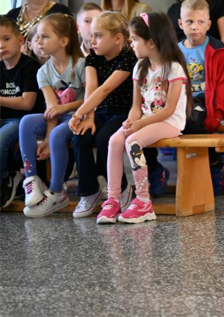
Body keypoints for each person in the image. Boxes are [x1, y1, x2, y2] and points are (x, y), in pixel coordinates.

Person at [97, 12, 190, 224]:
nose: (131, 44)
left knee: (133, 141)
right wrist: (131, 121)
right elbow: (135, 106)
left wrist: (139, 124)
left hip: (169, 122)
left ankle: (143, 201)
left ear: (151, 42)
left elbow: (169, 110)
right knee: (115, 140)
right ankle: (113, 199)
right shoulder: (140, 66)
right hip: (146, 119)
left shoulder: (173, 68)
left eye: (134, 39)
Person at [68, 12, 137, 218]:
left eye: (98, 36)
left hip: (124, 113)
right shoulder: (92, 57)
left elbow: (105, 89)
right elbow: (91, 87)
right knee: (80, 136)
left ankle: (121, 188)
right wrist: (87, 117)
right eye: (91, 35)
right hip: (101, 111)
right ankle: (89, 191)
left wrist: (78, 113)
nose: (92, 41)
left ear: (117, 38)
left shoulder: (128, 58)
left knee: (104, 138)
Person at [19, 14, 86, 217]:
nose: (38, 41)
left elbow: (90, 99)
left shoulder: (81, 65)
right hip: (58, 117)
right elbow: (51, 108)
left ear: (63, 41)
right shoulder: (43, 72)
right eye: (38, 36)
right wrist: (47, 138)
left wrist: (64, 110)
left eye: (45, 36)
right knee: (27, 121)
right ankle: (31, 179)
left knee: (57, 134)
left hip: (79, 116)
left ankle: (57, 192)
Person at [177, 0, 224, 195]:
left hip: (206, 101)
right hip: (181, 100)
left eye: (200, 22)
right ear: (180, 23)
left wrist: (218, 113)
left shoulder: (218, 49)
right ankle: (203, 168)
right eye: (189, 22)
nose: (195, 27)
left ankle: (216, 165)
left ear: (209, 24)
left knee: (193, 120)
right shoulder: (175, 51)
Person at [0, 17, 44, 208]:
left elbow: (27, 103)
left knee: (1, 140)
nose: (1, 45)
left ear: (20, 40)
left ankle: (5, 179)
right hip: (4, 118)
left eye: (6, 39)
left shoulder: (30, 66)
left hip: (23, 121)